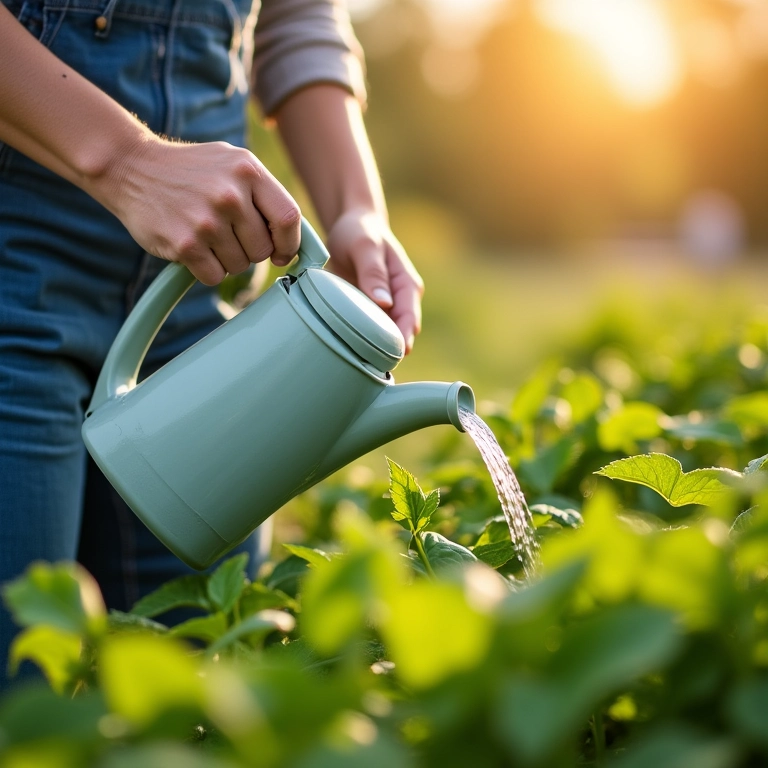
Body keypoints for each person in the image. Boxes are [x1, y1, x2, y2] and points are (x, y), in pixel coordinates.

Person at [0, 0, 423, 684]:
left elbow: (295, 18)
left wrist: (356, 211)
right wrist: (127, 163)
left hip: (204, 290)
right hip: (12, 255)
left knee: (206, 687)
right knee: (19, 695)